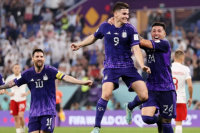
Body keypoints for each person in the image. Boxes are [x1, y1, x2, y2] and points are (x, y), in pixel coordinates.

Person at [71, 2, 150, 133]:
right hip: (111, 67)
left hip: (128, 66)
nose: (127, 16)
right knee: (106, 94)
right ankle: (96, 127)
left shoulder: (131, 29)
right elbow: (93, 37)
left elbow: (136, 48)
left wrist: (142, 65)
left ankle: (130, 107)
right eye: (124, 14)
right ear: (116, 14)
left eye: (128, 14)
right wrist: (80, 45)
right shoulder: (105, 26)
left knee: (144, 96)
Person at [0, 49, 93, 133]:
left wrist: (81, 82)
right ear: (32, 59)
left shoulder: (50, 71)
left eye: (41, 56)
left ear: (44, 59)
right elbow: (12, 83)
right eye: (37, 56)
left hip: (48, 111)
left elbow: (65, 77)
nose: (39, 58)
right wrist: (1, 87)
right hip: (34, 112)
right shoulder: (27, 74)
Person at [139, 22, 176, 133]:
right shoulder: (148, 45)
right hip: (151, 87)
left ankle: (162, 121)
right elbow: (138, 41)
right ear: (151, 33)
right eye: (154, 30)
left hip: (166, 88)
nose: (156, 33)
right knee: (147, 118)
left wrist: (127, 28)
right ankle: (158, 120)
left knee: (167, 123)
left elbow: (140, 40)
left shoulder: (164, 44)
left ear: (164, 34)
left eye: (159, 31)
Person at [171, 50, 193, 133]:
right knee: (179, 123)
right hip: (180, 99)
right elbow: (190, 85)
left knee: (166, 122)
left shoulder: (168, 68)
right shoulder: (185, 69)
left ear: (174, 57)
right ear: (182, 58)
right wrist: (190, 97)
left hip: (168, 98)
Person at [4, 63, 30, 133]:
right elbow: (4, 88)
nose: (17, 69)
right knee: (16, 118)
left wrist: (26, 93)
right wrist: (9, 93)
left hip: (22, 99)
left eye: (18, 68)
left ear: (20, 69)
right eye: (15, 68)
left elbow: (32, 86)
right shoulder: (9, 78)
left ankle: (23, 129)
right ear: (13, 69)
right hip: (13, 100)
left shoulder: (24, 77)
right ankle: (18, 131)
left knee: (20, 116)